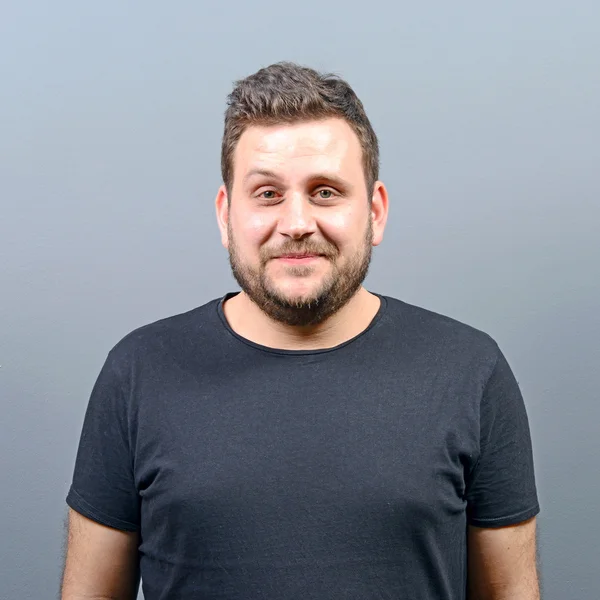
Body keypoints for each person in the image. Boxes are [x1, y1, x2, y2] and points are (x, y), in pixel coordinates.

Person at [61, 62, 541, 599]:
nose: (296, 223)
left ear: (375, 212)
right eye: (267, 193)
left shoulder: (470, 371)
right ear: (226, 216)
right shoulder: (138, 371)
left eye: (326, 192)